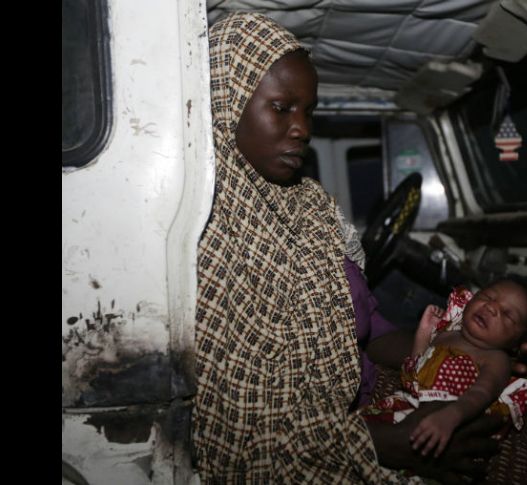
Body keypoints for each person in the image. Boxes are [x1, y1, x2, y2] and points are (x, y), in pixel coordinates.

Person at [192, 12, 502, 484]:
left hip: (369, 397)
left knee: (526, 397)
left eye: (309, 111)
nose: (302, 129)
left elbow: (369, 329)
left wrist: (448, 353)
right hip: (340, 437)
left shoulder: (313, 209)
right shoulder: (205, 237)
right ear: (227, 103)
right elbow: (244, 432)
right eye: (281, 108)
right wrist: (394, 445)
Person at [360, 276, 527, 459]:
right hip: (404, 408)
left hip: (445, 423)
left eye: (507, 315)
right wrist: (423, 334)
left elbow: (481, 393)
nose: (491, 307)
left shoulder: (495, 359)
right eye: (488, 296)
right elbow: (417, 371)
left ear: (520, 345)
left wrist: (451, 416)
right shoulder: (447, 334)